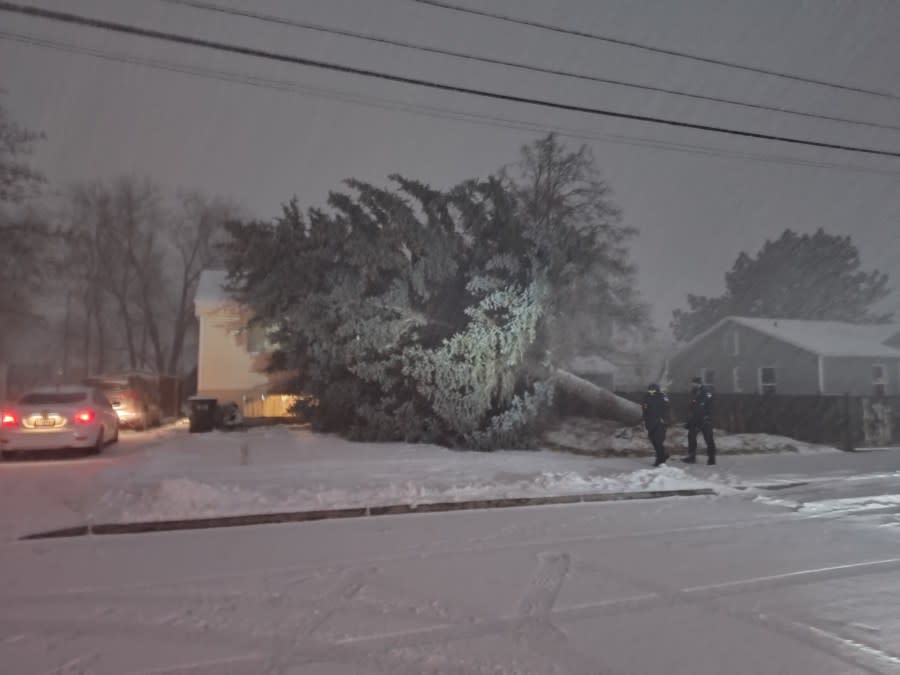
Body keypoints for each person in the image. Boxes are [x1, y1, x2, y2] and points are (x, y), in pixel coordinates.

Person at [683, 376, 716, 465]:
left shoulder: (706, 391)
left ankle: (711, 458)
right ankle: (692, 456)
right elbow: (693, 404)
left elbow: (702, 404)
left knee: (708, 438)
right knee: (691, 437)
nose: (692, 385)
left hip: (705, 419)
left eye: (693, 383)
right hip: (696, 418)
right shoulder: (695, 391)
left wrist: (703, 414)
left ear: (698, 383)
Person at [641, 383, 670, 467]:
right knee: (653, 440)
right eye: (650, 390)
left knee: (658, 441)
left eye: (653, 390)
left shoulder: (662, 397)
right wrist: (645, 419)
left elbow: (667, 409)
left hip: (660, 422)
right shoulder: (646, 397)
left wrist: (665, 420)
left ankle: (660, 459)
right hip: (650, 422)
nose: (651, 392)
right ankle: (663, 455)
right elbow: (644, 409)